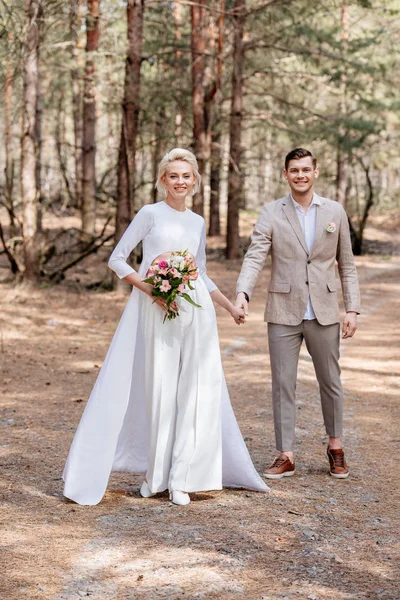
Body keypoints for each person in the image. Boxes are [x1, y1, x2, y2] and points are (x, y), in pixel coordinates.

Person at [63, 148, 269, 506]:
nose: (180, 182)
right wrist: (152, 290)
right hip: (157, 311)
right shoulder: (149, 214)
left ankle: (182, 478)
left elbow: (200, 272)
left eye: (186, 176)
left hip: (197, 314)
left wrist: (229, 308)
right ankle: (154, 476)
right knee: (159, 391)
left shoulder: (198, 222)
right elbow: (117, 259)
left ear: (195, 182)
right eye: (173, 175)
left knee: (194, 391)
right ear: (162, 180)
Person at [235, 148, 360, 480]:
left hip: (324, 310)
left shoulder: (334, 211)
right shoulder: (271, 212)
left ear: (315, 172)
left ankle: (336, 447)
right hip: (283, 310)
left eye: (306, 169)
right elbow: (255, 255)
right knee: (282, 384)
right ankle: (285, 454)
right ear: (285, 174)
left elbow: (347, 264)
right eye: (294, 170)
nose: (300, 175)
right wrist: (243, 291)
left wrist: (352, 308)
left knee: (330, 381)